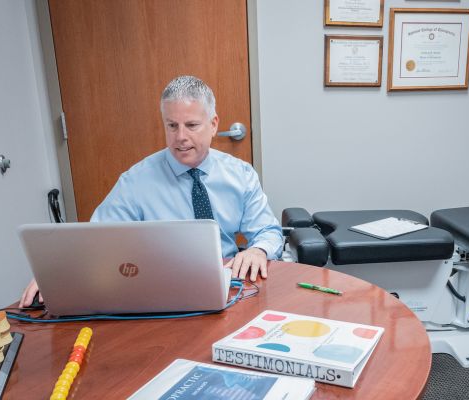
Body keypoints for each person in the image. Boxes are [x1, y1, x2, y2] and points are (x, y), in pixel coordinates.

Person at [20, 76, 283, 307]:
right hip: (161, 291)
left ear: (213, 124)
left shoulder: (240, 174)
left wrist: (257, 250)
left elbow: (268, 231)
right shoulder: (136, 181)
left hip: (228, 286)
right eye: (172, 126)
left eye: (191, 125)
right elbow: (97, 241)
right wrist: (57, 275)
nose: (180, 136)